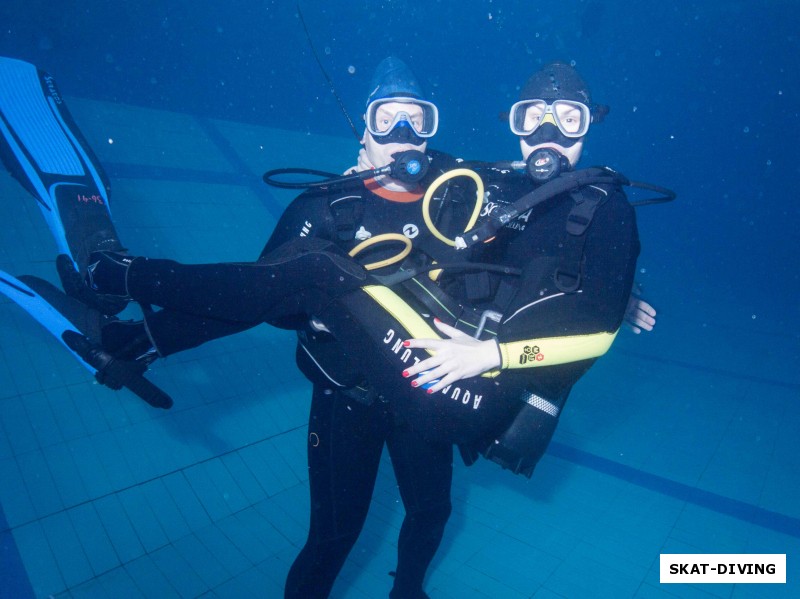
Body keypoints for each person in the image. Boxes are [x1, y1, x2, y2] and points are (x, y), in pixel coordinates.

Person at [79, 60, 649, 598]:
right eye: (388, 119)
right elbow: (257, 297)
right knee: (335, 533)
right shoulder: (341, 201)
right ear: (364, 130)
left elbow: (570, 265)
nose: (404, 134)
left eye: (417, 120)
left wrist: (611, 298)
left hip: (432, 381)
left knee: (430, 512)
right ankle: (138, 321)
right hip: (351, 391)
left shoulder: (469, 187)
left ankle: (118, 277)